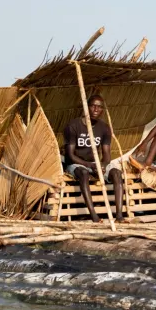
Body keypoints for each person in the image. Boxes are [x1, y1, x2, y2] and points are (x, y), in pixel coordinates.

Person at [63, 94, 123, 223]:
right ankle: (94, 216)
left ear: (102, 110)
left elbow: (106, 153)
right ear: (87, 107)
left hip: (94, 163)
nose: (96, 109)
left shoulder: (104, 128)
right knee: (84, 173)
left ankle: (119, 216)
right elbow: (70, 155)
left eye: (99, 107)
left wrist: (103, 165)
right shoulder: (73, 126)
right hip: (76, 163)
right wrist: (89, 166)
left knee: (117, 173)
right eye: (93, 106)